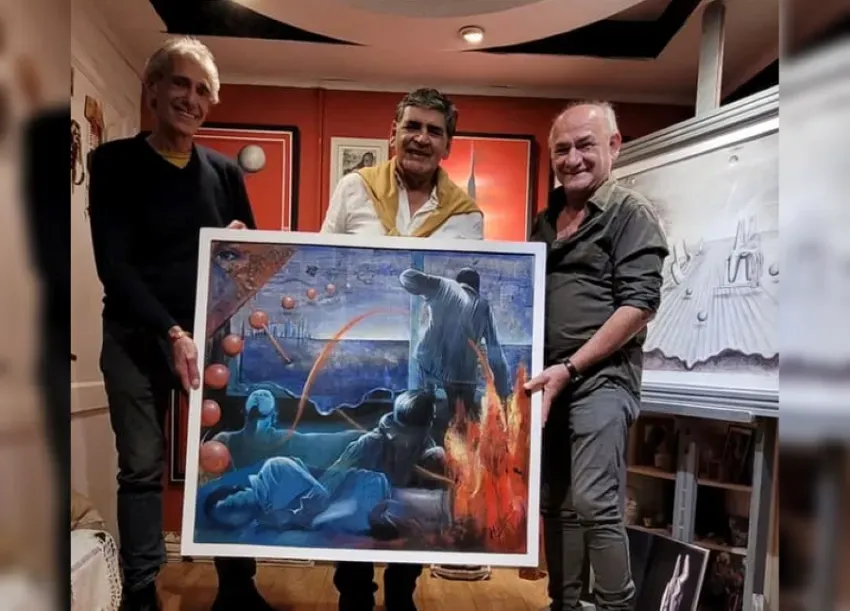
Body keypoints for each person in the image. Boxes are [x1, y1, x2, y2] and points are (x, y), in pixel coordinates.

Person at [87, 36, 273, 611]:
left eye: (202, 90)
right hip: (136, 335)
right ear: (152, 89)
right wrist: (172, 332)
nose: (191, 99)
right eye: (180, 84)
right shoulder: (112, 163)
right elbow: (113, 266)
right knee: (141, 467)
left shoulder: (224, 173)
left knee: (223, 456)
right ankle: (142, 591)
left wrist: (244, 250)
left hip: (211, 340)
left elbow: (251, 266)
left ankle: (237, 587)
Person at [321, 87, 484, 610]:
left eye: (434, 130)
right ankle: (352, 591)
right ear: (392, 132)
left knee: (422, 472)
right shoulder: (354, 189)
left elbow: (465, 308)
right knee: (369, 462)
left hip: (433, 373)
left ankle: (401, 589)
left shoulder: (466, 216)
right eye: (412, 126)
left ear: (447, 145)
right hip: (375, 351)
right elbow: (324, 255)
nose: (421, 138)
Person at [524, 101, 669, 611]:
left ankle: (614, 606)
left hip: (601, 379)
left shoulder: (630, 214)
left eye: (585, 145)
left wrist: (570, 367)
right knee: (556, 502)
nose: (572, 159)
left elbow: (640, 305)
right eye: (561, 149)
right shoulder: (544, 221)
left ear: (614, 146)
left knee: (593, 501)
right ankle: (562, 604)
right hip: (548, 381)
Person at [398, 266, 510, 421]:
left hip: (430, 365)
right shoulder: (483, 306)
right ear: (477, 287)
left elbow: (407, 277)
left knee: (422, 409)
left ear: (458, 281)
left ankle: (426, 420)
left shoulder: (444, 287)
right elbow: (494, 350)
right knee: (463, 419)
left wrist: (431, 282)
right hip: (464, 374)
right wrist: (503, 391)